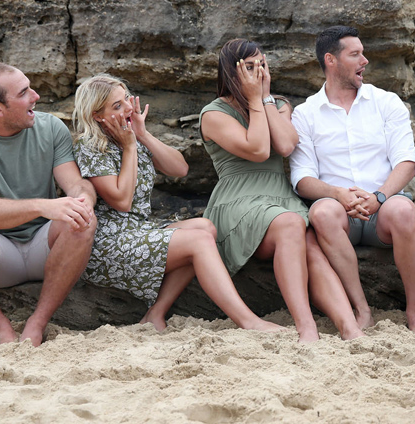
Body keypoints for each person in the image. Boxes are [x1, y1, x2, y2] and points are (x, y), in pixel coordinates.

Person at [72, 74, 282, 333]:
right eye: (117, 106)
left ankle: (155, 313)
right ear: (97, 116)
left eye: (126, 98)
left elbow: (180, 169)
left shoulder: (130, 136)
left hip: (138, 230)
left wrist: (143, 135)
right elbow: (122, 201)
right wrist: (130, 148)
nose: (128, 107)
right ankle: (248, 321)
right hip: (109, 243)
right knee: (198, 240)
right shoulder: (90, 146)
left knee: (205, 227)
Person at [200, 39, 364, 342]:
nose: (259, 72)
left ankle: (350, 328)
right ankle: (307, 327)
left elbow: (286, 146)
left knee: (310, 245)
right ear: (231, 72)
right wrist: (254, 99)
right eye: (250, 67)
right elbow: (258, 149)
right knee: (290, 223)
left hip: (280, 198)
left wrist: (264, 100)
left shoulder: (278, 105)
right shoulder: (214, 114)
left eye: (262, 64)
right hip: (239, 201)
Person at [0, 63, 97, 346]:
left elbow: (76, 183)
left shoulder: (51, 128)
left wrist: (84, 198)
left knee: (82, 217)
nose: (36, 96)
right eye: (24, 92)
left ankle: (38, 322)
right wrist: (42, 206)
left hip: (46, 249)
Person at [289, 25, 415, 332]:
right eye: (355, 54)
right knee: (321, 212)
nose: (364, 61)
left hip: (383, 208)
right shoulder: (305, 113)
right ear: (331, 60)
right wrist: (338, 194)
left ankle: (414, 311)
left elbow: (407, 161)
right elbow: (302, 178)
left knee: (404, 209)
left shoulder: (386, 102)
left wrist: (379, 196)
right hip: (341, 212)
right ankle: (361, 309)